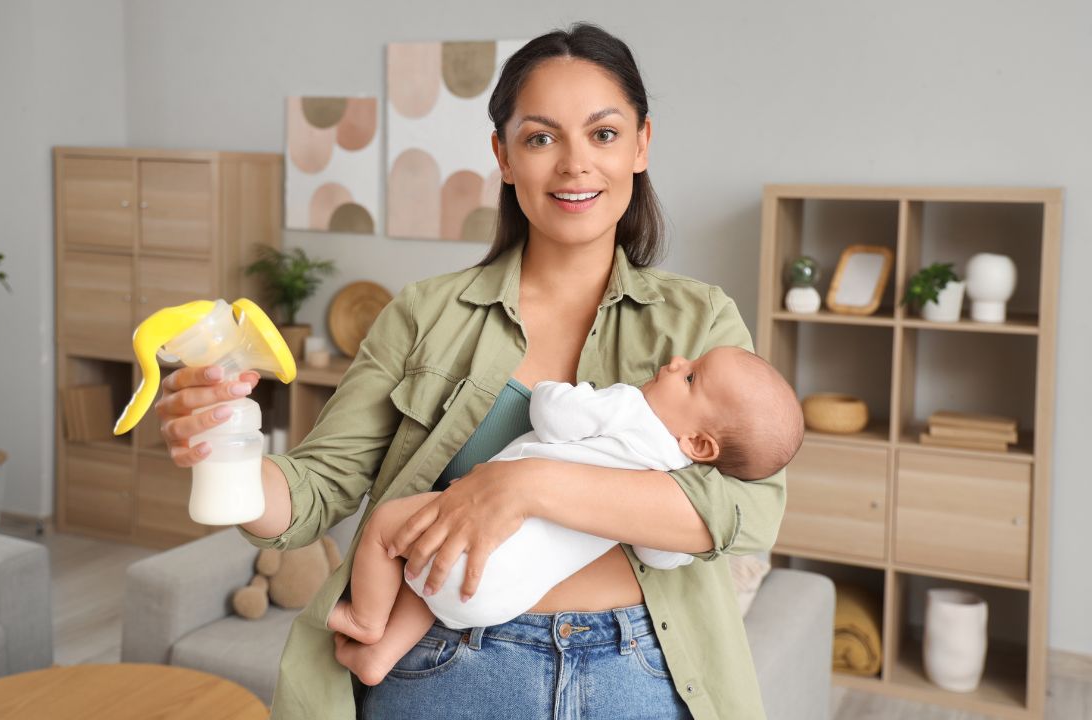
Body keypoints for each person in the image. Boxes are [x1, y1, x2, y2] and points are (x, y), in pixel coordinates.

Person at [155, 22, 786, 720]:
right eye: (541, 137)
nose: (575, 164)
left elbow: (748, 511)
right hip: (444, 665)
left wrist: (526, 484)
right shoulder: (424, 315)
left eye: (603, 134)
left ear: (641, 144)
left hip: (638, 667)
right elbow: (314, 491)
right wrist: (224, 446)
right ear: (504, 156)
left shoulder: (699, 323)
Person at [325, 346, 804, 686]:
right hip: (500, 599)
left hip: (473, 552)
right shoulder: (670, 482)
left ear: (700, 444)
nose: (676, 362)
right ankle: (381, 656)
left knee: (390, 527)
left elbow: (551, 413)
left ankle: (366, 623)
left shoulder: (630, 408)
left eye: (691, 377)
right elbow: (659, 556)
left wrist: (567, 389)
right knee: (432, 582)